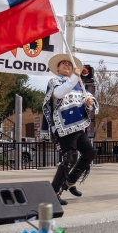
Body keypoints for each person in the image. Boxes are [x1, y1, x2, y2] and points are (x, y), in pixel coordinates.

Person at [41, 54, 99, 205]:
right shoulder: (54, 81)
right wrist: (75, 77)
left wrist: (89, 103)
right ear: (58, 68)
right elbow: (59, 93)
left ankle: (70, 181)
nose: (67, 65)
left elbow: (87, 103)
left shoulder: (78, 83)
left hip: (78, 125)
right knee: (70, 158)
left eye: (69, 64)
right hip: (64, 125)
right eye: (63, 64)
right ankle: (54, 192)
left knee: (89, 152)